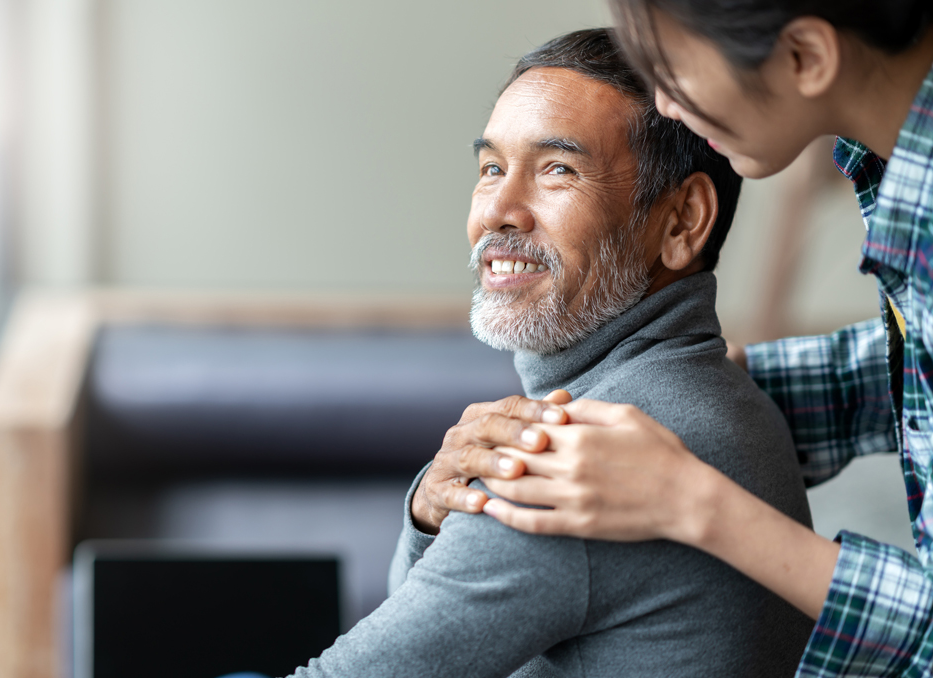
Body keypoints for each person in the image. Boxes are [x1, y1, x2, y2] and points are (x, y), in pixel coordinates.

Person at [412, 2, 933, 676]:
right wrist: (719, 401)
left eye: (676, 68)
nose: (666, 102)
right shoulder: (888, 168)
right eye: (490, 167)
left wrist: (694, 500)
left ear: (804, 56)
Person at [283, 28, 814, 678]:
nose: (499, 213)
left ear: (680, 222)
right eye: (490, 169)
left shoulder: (581, 462)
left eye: (557, 169)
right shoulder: (714, 398)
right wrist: (431, 513)